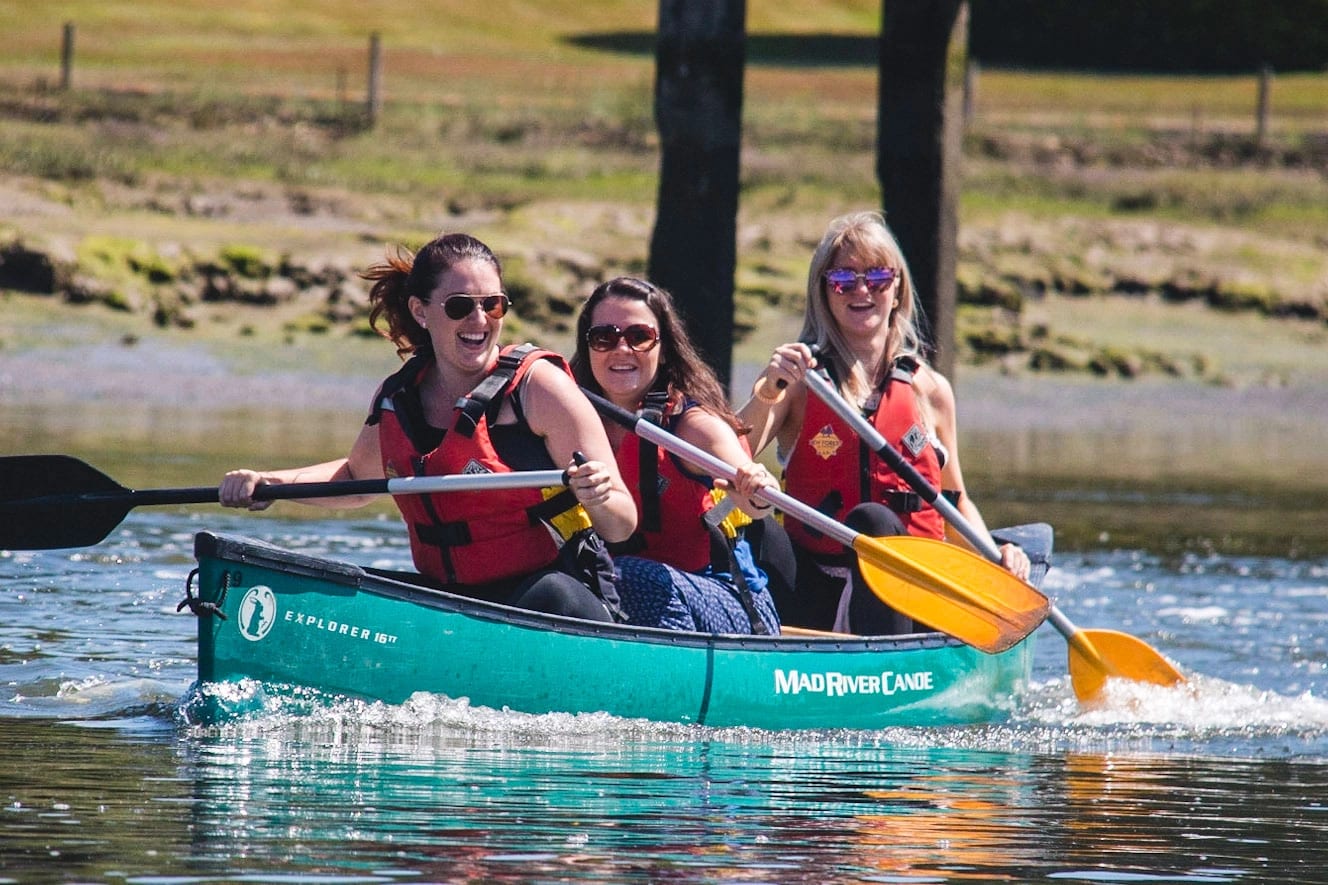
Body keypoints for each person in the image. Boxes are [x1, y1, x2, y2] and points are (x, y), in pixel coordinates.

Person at [219, 232, 637, 622]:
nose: (479, 320)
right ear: (421, 311)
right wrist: (271, 484)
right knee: (335, 591)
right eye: (459, 306)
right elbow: (354, 480)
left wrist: (598, 495)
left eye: (492, 305)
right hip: (452, 599)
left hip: (555, 600)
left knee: (552, 595)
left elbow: (622, 523)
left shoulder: (540, 390)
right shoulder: (398, 398)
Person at [738, 211, 1030, 634]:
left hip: (911, 591)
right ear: (825, 291)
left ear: (897, 290)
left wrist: (996, 556)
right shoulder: (799, 382)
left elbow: (954, 501)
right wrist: (767, 392)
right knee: (757, 529)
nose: (862, 291)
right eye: (844, 279)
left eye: (877, 278)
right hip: (816, 587)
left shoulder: (931, 390)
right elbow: (730, 448)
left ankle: (884, 660)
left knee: (873, 521)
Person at [569, 276, 782, 635]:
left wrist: (755, 487)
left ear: (663, 348)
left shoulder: (693, 426)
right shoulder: (566, 417)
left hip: (730, 603)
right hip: (617, 595)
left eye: (639, 337)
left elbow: (755, 497)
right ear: (588, 347)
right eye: (604, 337)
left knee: (631, 576)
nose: (621, 349)